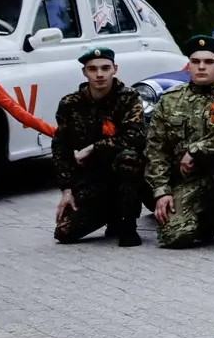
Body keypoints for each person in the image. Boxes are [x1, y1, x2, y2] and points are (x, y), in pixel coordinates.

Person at [147, 34, 214, 250]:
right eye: (195, 62)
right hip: (188, 182)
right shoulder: (169, 100)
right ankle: (207, 219)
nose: (201, 67)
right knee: (174, 237)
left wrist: (196, 150)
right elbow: (156, 150)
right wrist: (162, 192)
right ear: (189, 66)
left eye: (208, 62)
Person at [51, 46, 147, 246]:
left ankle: (127, 225)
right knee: (64, 233)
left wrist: (93, 148)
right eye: (93, 69)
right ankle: (110, 212)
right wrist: (67, 190)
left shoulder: (128, 98)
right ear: (85, 72)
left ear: (115, 69)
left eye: (105, 68)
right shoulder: (70, 104)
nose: (100, 74)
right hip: (91, 178)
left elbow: (134, 138)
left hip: (123, 172)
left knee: (128, 159)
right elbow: (61, 148)